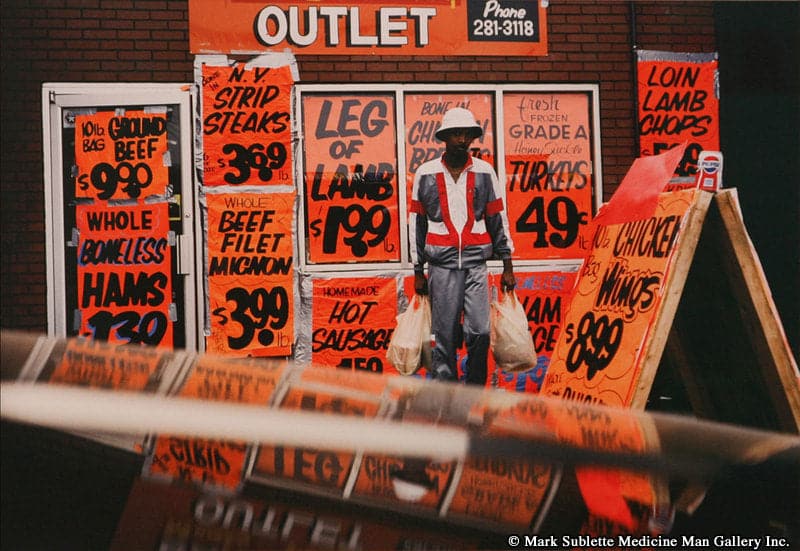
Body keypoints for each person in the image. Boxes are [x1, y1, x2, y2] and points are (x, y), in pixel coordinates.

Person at [409, 107, 515, 386]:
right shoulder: (426, 173)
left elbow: (497, 217)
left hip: (475, 264)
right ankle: (446, 395)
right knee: (443, 335)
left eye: (467, 134)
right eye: (456, 134)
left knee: (480, 331)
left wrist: (507, 264)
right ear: (445, 137)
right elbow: (416, 223)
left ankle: (474, 390)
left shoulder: (484, 172)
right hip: (441, 266)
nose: (462, 140)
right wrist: (418, 270)